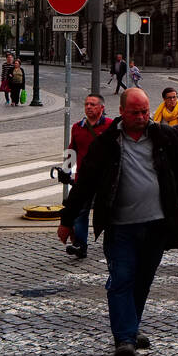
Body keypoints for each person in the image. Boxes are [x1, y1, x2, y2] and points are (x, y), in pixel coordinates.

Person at [57, 88, 178, 356]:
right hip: (120, 226)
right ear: (122, 112)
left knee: (142, 280)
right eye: (136, 112)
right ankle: (124, 339)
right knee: (122, 279)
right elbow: (84, 183)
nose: (142, 117)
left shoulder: (163, 136)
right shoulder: (108, 142)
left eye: (145, 111)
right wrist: (67, 220)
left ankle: (130, 327)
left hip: (156, 224)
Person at [65, 94, 113, 259]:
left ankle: (114, 243)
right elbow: (72, 149)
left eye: (93, 104)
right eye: (86, 104)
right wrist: (66, 169)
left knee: (109, 212)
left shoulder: (111, 126)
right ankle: (80, 245)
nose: (89, 107)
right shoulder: (78, 127)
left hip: (106, 179)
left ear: (102, 108)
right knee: (80, 211)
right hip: (84, 179)